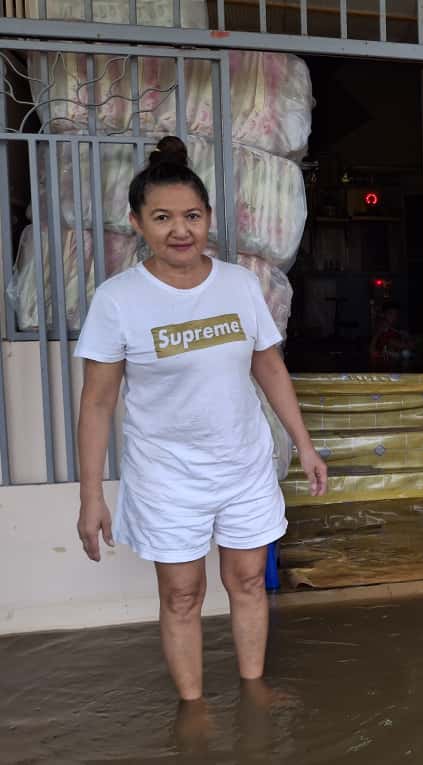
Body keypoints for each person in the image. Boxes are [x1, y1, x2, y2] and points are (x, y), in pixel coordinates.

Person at [74, 136, 328, 701]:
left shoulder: (238, 285)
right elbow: (96, 402)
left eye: (191, 216)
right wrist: (91, 495)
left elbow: (270, 368)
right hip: (166, 476)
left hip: (242, 465)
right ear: (138, 223)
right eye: (162, 218)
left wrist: (304, 444)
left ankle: (254, 693)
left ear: (209, 218)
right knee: (182, 596)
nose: (179, 230)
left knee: (246, 584)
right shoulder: (118, 300)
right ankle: (193, 715)